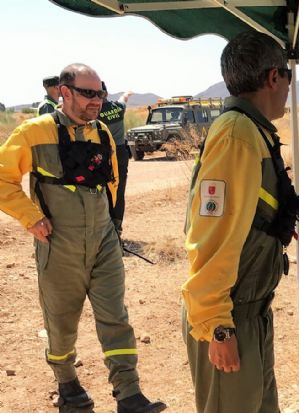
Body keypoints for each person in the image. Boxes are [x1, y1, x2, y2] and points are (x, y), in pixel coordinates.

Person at [0, 63, 166, 413]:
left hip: (103, 239)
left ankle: (129, 392)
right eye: (89, 93)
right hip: (58, 243)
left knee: (115, 316)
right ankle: (68, 386)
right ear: (65, 91)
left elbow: (113, 183)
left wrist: (111, 225)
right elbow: (2, 179)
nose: (97, 101)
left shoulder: (103, 132)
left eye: (101, 93)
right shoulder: (35, 131)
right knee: (61, 321)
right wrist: (31, 218)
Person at [182, 31, 292, 413]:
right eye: (288, 75)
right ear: (273, 78)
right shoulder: (237, 134)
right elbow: (210, 235)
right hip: (230, 317)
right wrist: (218, 324)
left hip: (249, 313)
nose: (289, 88)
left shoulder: (253, 130)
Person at [98, 82, 133, 235]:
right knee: (118, 191)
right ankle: (116, 228)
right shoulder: (118, 108)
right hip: (120, 153)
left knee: (103, 190)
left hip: (102, 153)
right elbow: (123, 99)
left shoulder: (94, 113)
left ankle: (106, 228)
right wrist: (127, 93)